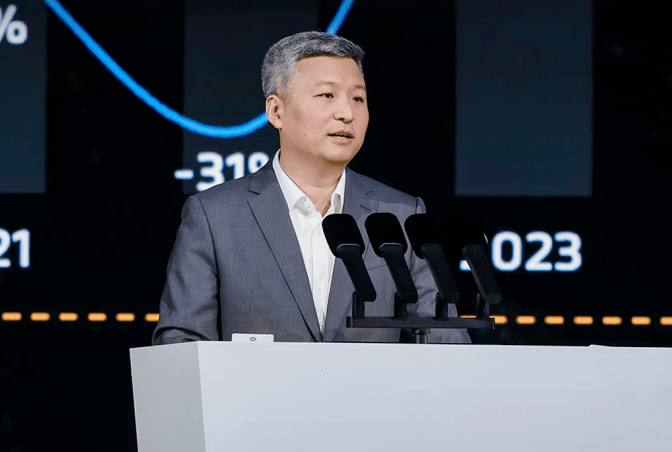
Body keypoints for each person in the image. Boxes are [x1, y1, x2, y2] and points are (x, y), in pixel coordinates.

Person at [152, 31, 469, 344]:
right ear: (276, 111)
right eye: (327, 96)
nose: (346, 113)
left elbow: (446, 337)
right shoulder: (214, 216)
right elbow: (182, 340)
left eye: (358, 98)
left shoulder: (400, 215)